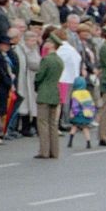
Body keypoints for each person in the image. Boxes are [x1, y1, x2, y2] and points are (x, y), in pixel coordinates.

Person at [33, 29, 64, 159]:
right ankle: (54, 151)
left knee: (43, 123)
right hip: (55, 92)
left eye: (48, 42)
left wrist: (36, 84)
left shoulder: (46, 60)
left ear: (52, 45)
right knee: (53, 123)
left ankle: (44, 151)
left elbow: (39, 76)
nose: (46, 43)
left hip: (45, 92)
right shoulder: (59, 60)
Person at [66, 74, 97, 149]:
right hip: (87, 114)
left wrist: (73, 113)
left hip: (78, 114)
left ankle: (70, 141)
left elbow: (75, 105)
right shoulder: (87, 93)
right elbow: (91, 104)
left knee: (74, 126)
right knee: (85, 128)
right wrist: (93, 113)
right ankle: (88, 143)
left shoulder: (75, 94)